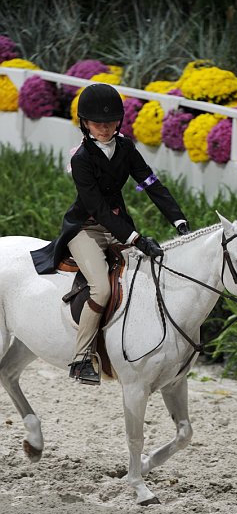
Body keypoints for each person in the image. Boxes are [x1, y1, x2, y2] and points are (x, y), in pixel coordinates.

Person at [31, 83, 190, 385]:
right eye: (97, 123)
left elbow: (149, 183)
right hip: (86, 228)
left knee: (146, 274)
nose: (104, 128)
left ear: (119, 121)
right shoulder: (82, 159)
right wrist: (136, 239)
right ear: (85, 123)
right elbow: (98, 209)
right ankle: (80, 359)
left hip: (117, 225)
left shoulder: (126, 148)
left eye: (109, 122)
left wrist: (178, 220)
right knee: (102, 288)